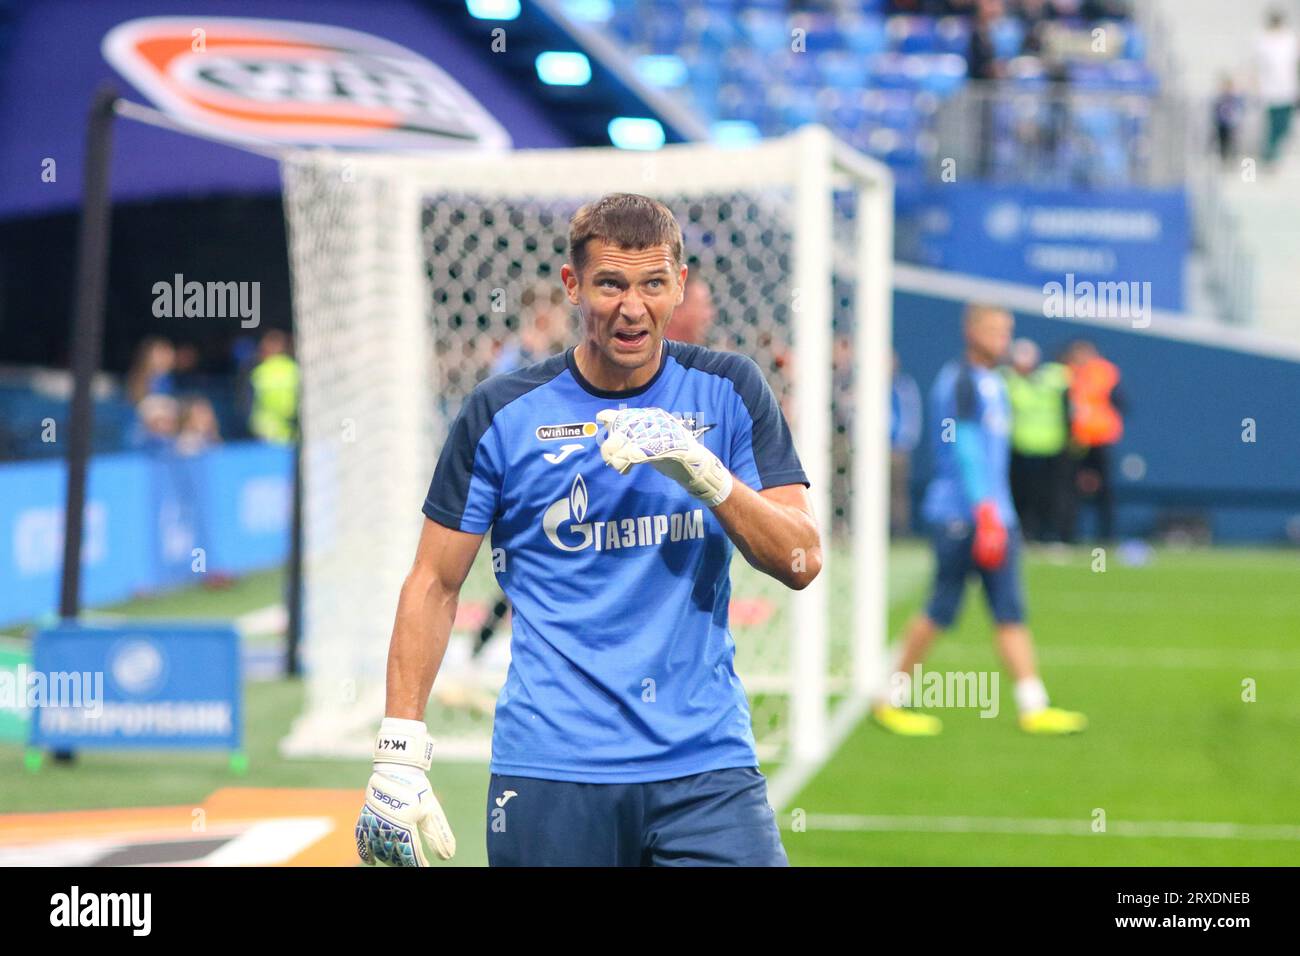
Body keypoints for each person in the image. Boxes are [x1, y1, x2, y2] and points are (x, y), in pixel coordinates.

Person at [355, 193, 821, 867]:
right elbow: (433, 580)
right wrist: (398, 750)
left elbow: (801, 559)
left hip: (705, 765)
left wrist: (705, 473)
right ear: (573, 285)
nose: (632, 307)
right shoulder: (501, 413)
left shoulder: (729, 390)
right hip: (551, 770)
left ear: (679, 286)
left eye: (653, 284)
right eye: (611, 284)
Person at [872, 304, 1086, 737]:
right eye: (992, 329)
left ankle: (1033, 704)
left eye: (1006, 329)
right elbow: (965, 448)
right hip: (964, 516)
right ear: (971, 331)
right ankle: (890, 698)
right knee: (940, 608)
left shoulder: (994, 382)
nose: (1000, 337)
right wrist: (985, 512)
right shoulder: (963, 382)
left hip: (994, 514)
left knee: (1009, 610)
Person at [1002, 338, 1071, 542]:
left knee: (1049, 496)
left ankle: (1050, 535)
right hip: (1020, 447)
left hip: (1051, 446)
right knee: (1021, 495)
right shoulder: (1007, 381)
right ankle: (1025, 534)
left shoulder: (1054, 378)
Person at [1063, 340, 1124, 543]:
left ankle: (1107, 537)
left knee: (1105, 491)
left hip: (1101, 438)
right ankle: (1070, 535)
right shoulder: (1067, 374)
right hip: (1077, 440)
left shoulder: (1105, 374)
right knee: (1071, 490)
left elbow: (1121, 402)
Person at [1257, 9, 1299, 168]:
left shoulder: (1289, 39)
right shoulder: (1263, 39)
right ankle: (1269, 154)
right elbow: (1259, 65)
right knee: (1273, 124)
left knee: (1285, 125)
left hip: (1288, 88)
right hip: (1270, 90)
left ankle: (1275, 152)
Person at [890, 352, 923, 536]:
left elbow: (911, 415)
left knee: (898, 493)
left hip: (897, 449)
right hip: (873, 450)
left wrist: (904, 441)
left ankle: (900, 531)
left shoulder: (904, 387)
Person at [247, 330, 299, 444]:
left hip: (266, 434)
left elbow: (246, 403)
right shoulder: (294, 369)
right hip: (293, 432)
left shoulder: (259, 373)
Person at [1212, 75, 1245, 165]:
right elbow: (1216, 110)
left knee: (1232, 142)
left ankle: (1232, 159)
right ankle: (1224, 158)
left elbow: (1239, 110)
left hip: (1232, 124)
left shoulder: (1235, 98)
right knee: (1223, 142)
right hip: (1222, 124)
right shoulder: (1220, 98)